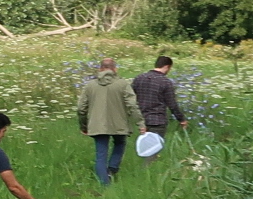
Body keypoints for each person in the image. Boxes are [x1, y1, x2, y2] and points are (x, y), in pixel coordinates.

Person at [76, 58, 137, 186]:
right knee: (120, 143)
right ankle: (112, 169)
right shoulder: (123, 84)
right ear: (115, 69)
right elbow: (132, 105)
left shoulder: (90, 85)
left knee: (101, 155)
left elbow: (81, 108)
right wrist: (137, 122)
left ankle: (105, 185)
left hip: (97, 125)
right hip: (119, 124)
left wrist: (84, 125)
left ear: (100, 69)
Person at [132, 56, 188, 163]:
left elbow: (130, 98)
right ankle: (146, 173)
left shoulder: (139, 78)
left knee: (144, 147)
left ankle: (141, 170)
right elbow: (172, 104)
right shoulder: (165, 82)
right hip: (157, 120)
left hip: (141, 119)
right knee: (154, 150)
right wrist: (181, 119)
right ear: (167, 67)